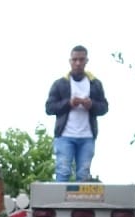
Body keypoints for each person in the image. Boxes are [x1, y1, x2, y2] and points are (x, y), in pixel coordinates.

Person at [45, 45, 109, 182]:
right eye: (75, 60)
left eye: (81, 59)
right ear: (70, 61)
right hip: (64, 136)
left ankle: (81, 204)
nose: (78, 63)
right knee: (62, 172)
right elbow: (49, 108)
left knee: (83, 175)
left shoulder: (95, 84)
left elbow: (104, 107)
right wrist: (68, 103)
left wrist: (91, 105)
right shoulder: (60, 84)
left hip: (87, 136)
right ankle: (59, 203)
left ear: (86, 61)